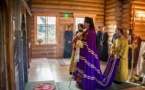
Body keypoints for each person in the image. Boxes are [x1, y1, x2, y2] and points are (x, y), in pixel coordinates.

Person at [74, 17, 120, 90]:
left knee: (86, 70)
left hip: (88, 55)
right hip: (83, 55)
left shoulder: (91, 32)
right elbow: (83, 40)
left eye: (84, 22)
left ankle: (86, 85)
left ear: (88, 23)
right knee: (81, 69)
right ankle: (81, 83)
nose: (83, 24)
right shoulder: (86, 31)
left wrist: (81, 42)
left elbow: (90, 46)